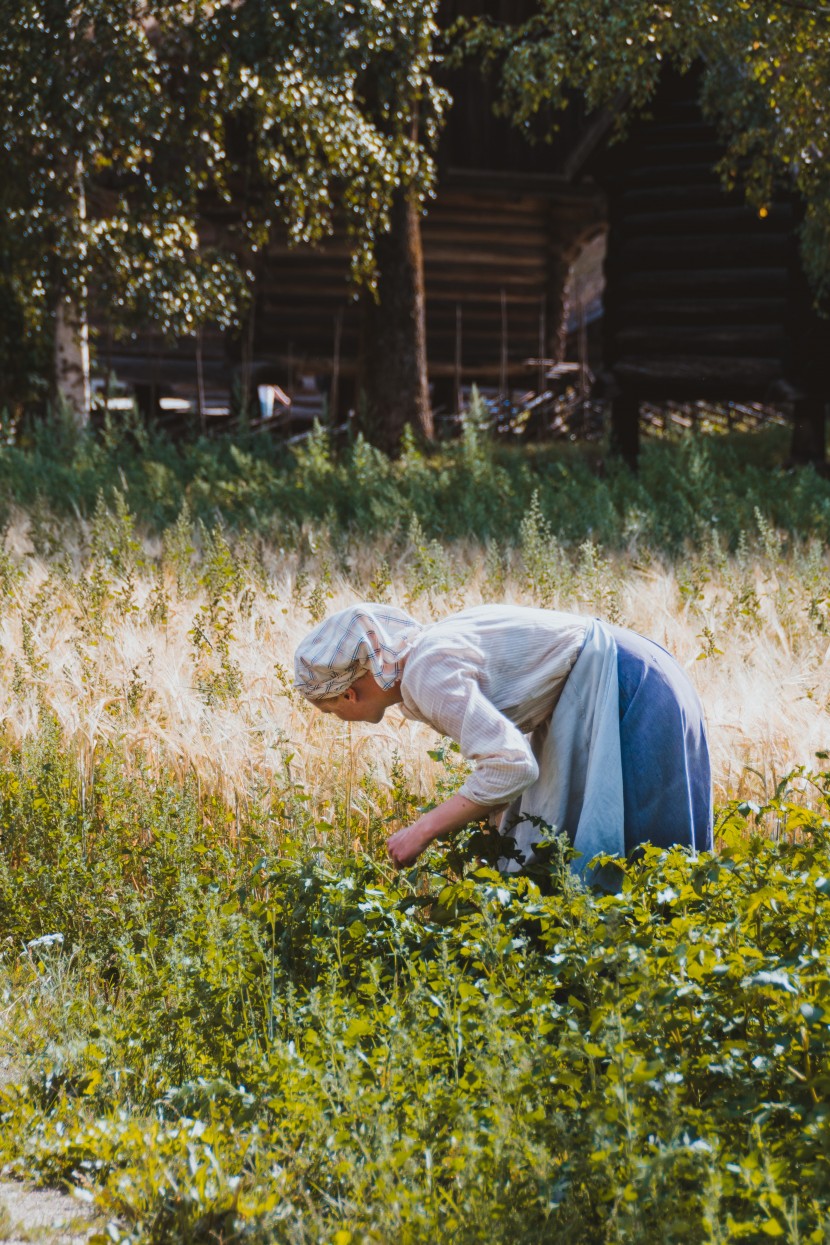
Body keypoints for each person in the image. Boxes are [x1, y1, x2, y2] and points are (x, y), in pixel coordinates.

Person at [293, 602, 713, 884]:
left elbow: (512, 765)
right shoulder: (426, 658)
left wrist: (421, 831)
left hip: (630, 689)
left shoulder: (426, 673)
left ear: (348, 694)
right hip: (640, 670)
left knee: (648, 865)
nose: (340, 720)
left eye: (331, 711)